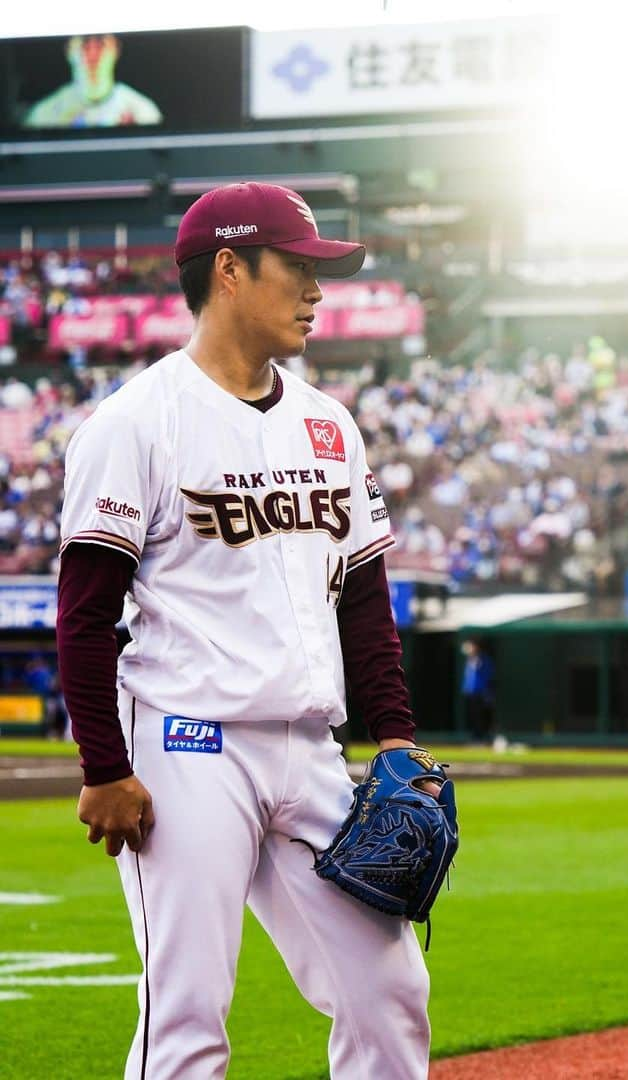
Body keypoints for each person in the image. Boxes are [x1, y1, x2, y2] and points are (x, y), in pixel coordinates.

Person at [56, 182, 437, 1080]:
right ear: (229, 269)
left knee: (389, 991)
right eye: (298, 268)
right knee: (186, 1015)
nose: (317, 290)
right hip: (188, 746)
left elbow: (363, 598)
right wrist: (105, 768)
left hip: (308, 749)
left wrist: (397, 734)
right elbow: (84, 616)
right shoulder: (135, 422)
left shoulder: (328, 424)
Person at [24, 35, 163, 129]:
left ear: (115, 50)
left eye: (101, 45)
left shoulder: (144, 112)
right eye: (84, 45)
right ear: (69, 52)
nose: (92, 57)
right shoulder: (42, 116)